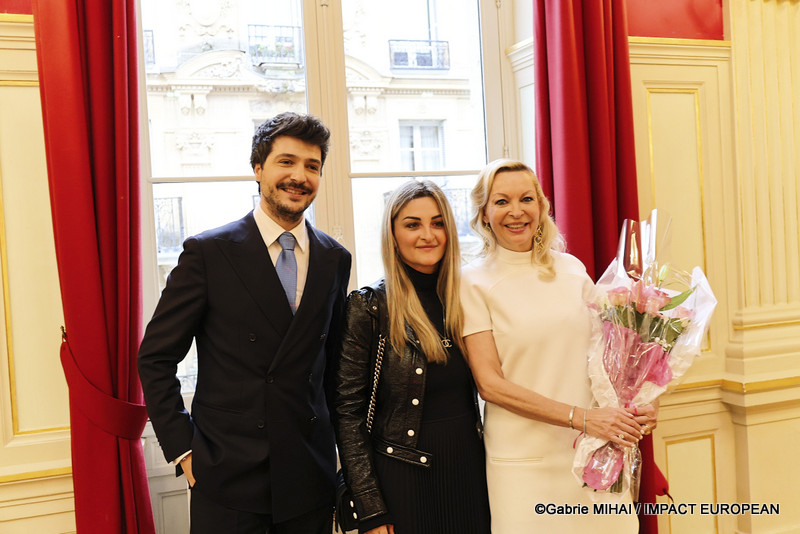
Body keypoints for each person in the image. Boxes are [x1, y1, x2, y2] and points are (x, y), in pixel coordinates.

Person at [138, 112, 351, 534]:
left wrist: (340, 458)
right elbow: (155, 357)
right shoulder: (209, 252)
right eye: (286, 162)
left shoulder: (334, 258)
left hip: (310, 474)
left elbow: (331, 369)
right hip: (228, 475)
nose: (299, 176)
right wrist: (184, 449)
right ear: (258, 169)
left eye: (312, 166)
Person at [459, 159, 658, 533]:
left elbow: (613, 356)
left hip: (596, 453)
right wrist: (581, 418)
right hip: (524, 463)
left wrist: (643, 400)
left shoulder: (572, 269)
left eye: (526, 199)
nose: (516, 212)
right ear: (484, 213)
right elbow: (490, 384)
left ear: (541, 207)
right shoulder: (471, 281)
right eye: (501, 202)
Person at [333, 180, 491, 534]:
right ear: (393, 234)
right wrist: (372, 509)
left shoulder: (467, 298)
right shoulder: (371, 306)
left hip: (470, 470)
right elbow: (348, 413)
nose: (427, 235)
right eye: (412, 224)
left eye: (437, 223)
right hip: (403, 477)